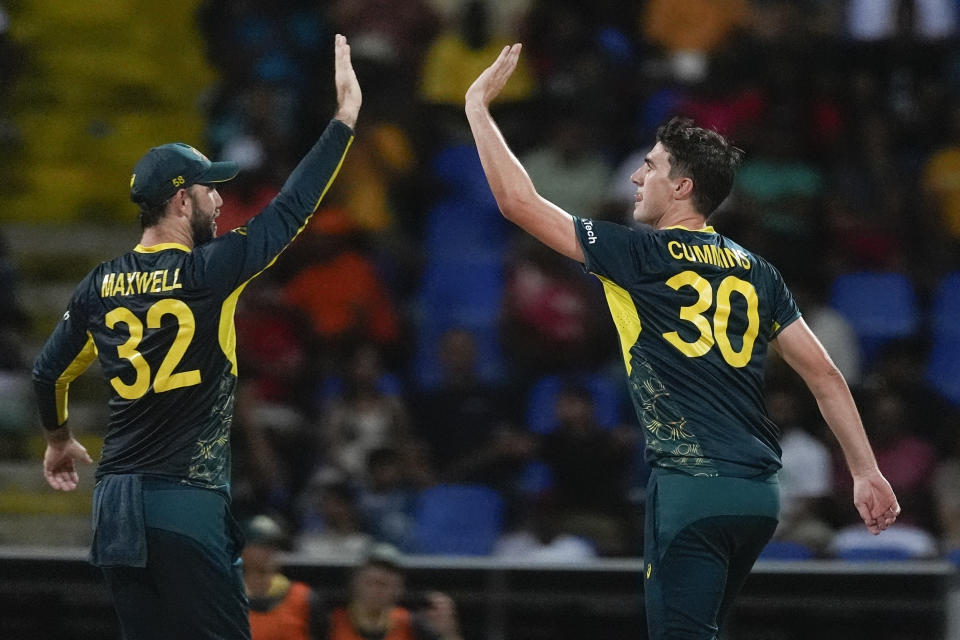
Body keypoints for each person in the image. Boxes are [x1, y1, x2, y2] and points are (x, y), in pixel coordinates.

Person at [464, 44, 900, 640]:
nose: (638, 177)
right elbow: (824, 376)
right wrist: (865, 471)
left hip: (691, 488)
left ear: (683, 186)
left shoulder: (640, 255)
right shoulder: (756, 269)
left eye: (651, 166)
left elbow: (518, 202)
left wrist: (478, 109)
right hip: (758, 497)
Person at [31, 34, 361, 640]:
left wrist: (57, 440)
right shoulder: (209, 272)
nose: (220, 198)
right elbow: (292, 209)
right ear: (182, 199)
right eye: (211, 188)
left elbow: (47, 374)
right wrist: (343, 120)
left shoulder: (98, 286)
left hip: (114, 509)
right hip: (184, 500)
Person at [330, 544, 463, 640]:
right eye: (370, 582)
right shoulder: (330, 623)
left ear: (399, 589)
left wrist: (447, 633)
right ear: (355, 583)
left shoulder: (412, 625)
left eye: (385, 585)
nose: (377, 591)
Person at [243, 515, 326, 640]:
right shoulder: (225, 599)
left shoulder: (303, 598)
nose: (271, 552)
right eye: (263, 546)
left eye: (275, 546)